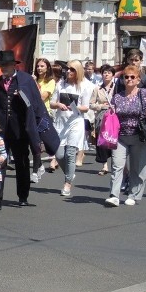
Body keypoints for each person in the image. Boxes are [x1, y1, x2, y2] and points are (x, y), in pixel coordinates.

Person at [0, 49, 48, 208]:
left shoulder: (26, 80)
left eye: (7, 65)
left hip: (20, 129)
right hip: (1, 130)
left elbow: (35, 104)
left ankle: (23, 196)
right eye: (2, 65)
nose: (4, 68)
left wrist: (22, 97)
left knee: (21, 163)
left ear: (14, 65)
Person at [104, 65, 146, 206]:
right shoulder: (117, 97)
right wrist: (110, 112)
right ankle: (114, 195)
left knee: (137, 167)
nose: (129, 79)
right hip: (120, 136)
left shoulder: (145, 94)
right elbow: (113, 114)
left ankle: (133, 194)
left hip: (139, 136)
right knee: (117, 166)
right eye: (126, 77)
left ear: (138, 80)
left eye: (132, 77)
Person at [51, 61, 93, 198]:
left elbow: (86, 107)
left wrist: (72, 106)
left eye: (72, 69)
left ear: (78, 71)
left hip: (75, 121)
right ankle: (70, 173)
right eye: (68, 69)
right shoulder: (60, 84)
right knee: (58, 154)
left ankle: (67, 183)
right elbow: (52, 103)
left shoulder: (84, 86)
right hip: (61, 122)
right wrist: (58, 104)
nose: (69, 71)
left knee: (70, 153)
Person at [32, 57, 56, 183]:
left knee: (41, 143)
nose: (39, 68)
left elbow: (42, 97)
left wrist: (34, 84)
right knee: (34, 143)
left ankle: (36, 169)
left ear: (47, 68)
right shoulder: (33, 78)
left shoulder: (50, 81)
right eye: (38, 66)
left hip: (43, 115)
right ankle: (38, 166)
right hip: (31, 114)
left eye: (42, 66)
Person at [91, 64, 116, 175]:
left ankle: (116, 163)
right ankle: (104, 165)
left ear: (113, 75)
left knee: (114, 139)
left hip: (114, 116)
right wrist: (100, 106)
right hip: (101, 117)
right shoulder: (97, 88)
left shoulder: (117, 87)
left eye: (109, 73)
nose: (106, 74)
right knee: (102, 141)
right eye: (104, 72)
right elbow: (91, 104)